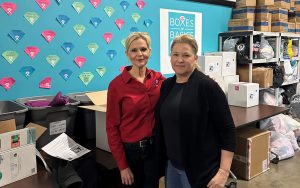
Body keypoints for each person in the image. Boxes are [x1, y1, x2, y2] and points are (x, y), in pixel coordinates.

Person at [155, 34, 236, 188]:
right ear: (170, 57)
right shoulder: (167, 86)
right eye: (175, 55)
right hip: (172, 167)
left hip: (201, 170)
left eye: (186, 55)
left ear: (195, 58)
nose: (180, 60)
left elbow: (228, 130)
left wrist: (224, 172)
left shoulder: (208, 87)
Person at [106, 32, 165, 188]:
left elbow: (180, 87)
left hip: (155, 148)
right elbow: (111, 127)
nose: (140, 54)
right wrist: (122, 166)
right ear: (127, 54)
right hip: (131, 152)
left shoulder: (158, 79)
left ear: (149, 51)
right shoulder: (116, 85)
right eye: (134, 50)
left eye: (143, 49)